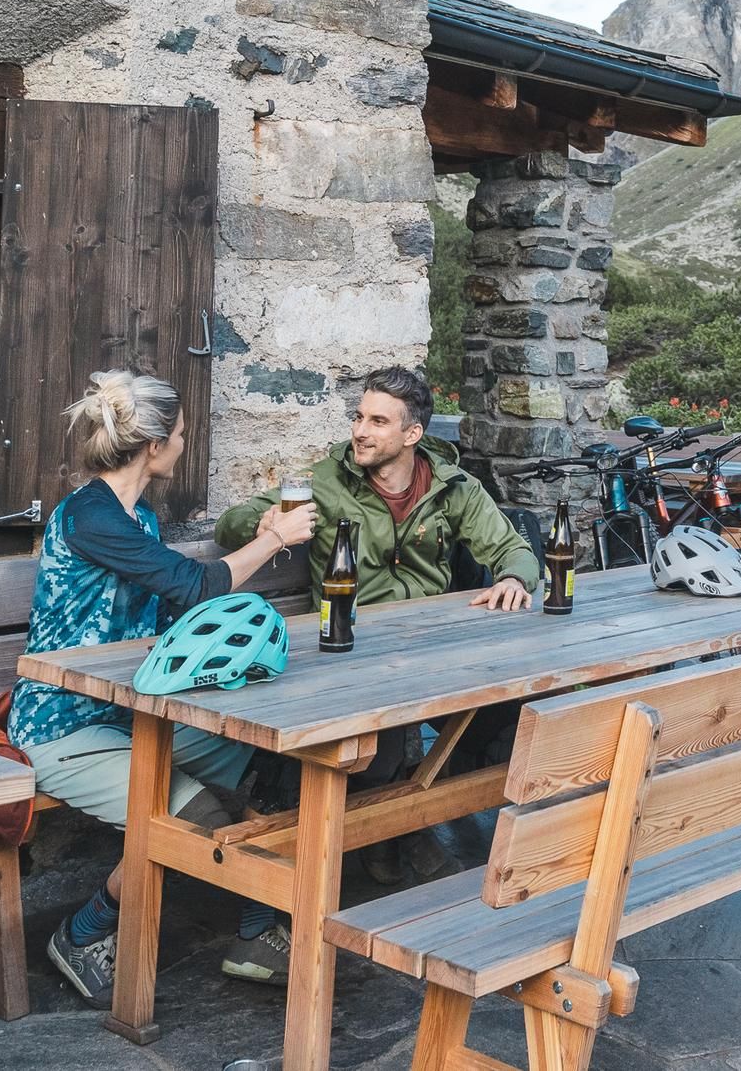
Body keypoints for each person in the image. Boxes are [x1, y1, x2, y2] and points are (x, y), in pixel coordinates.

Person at [8, 369, 320, 1007]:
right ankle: (83, 930)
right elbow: (195, 587)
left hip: (130, 713)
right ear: (153, 446)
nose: (185, 443)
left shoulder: (138, 516)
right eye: (180, 434)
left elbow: (172, 610)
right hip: (63, 726)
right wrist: (272, 539)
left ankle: (256, 937)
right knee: (192, 819)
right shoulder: (91, 516)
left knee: (248, 751)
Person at [215, 364, 540, 880]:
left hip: (431, 649)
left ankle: (423, 825)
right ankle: (389, 838)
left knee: (508, 717)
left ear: (413, 434)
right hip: (350, 652)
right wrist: (265, 522)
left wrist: (515, 579)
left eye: (379, 421)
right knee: (378, 742)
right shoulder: (327, 481)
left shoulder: (454, 487)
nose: (361, 431)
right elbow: (231, 523)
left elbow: (511, 548)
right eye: (359, 417)